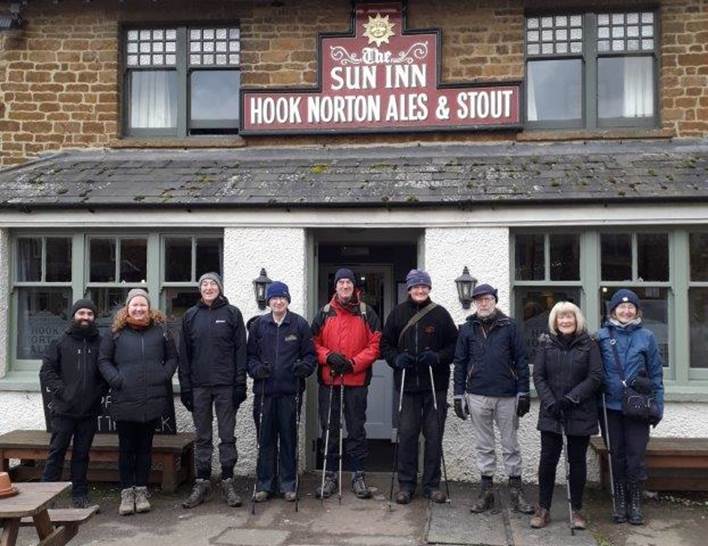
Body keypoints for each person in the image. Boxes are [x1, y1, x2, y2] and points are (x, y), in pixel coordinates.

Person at [452, 283, 533, 514]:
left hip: (507, 395)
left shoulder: (510, 326)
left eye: (488, 299)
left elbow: (521, 360)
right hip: (477, 394)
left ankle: (516, 491)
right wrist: (459, 394)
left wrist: (523, 392)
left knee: (510, 445)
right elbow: (459, 363)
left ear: (495, 300)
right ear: (475, 303)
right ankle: (486, 492)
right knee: (484, 446)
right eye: (479, 300)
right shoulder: (467, 329)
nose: (483, 303)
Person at [380, 269, 458, 504]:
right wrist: (395, 359)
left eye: (424, 286)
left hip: (435, 385)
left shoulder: (441, 315)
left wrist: (438, 357)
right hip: (407, 386)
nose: (420, 290)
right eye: (415, 286)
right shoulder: (397, 314)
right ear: (409, 289)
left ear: (429, 288)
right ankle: (406, 484)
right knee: (407, 435)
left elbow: (455, 346)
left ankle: (432, 485)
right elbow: (385, 345)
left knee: (434, 437)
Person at [98, 289, 178, 516]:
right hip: (125, 398)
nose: (139, 309)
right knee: (126, 448)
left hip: (152, 398)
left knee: (145, 448)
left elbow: (173, 358)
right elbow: (103, 360)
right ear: (127, 308)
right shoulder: (115, 333)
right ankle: (126, 492)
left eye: (143, 305)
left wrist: (164, 375)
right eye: (134, 305)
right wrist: (116, 379)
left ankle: (141, 490)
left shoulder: (161, 332)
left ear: (149, 308)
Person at [530, 302, 602, 530]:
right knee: (548, 461)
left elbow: (595, 377)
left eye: (569, 317)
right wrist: (551, 402)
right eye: (561, 317)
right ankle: (543, 508)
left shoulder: (589, 344)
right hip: (552, 412)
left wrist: (571, 399)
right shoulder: (545, 344)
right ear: (554, 321)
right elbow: (539, 376)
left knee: (577, 461)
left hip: (579, 410)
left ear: (576, 319)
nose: (565, 321)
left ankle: (577, 510)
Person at [178, 272, 248, 508]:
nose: (209, 287)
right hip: (198, 386)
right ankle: (202, 481)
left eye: (212, 284)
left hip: (226, 386)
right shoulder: (191, 316)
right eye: (204, 284)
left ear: (220, 288)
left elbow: (241, 351)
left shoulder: (232, 314)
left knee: (227, 435)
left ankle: (228, 481)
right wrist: (185, 387)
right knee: (203, 437)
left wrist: (240, 383)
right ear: (200, 289)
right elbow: (184, 355)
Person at [311, 267, 382, 499]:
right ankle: (330, 475)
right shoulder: (324, 313)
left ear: (354, 287)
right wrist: (327, 356)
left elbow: (375, 345)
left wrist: (353, 363)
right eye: (341, 283)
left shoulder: (366, 313)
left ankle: (358, 474)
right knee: (330, 428)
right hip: (329, 379)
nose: (344, 287)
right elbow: (312, 343)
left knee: (356, 429)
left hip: (356, 379)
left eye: (348, 283)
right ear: (336, 286)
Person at [596, 289, 664, 526]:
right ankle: (620, 503)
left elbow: (656, 374)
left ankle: (635, 502)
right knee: (617, 455)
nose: (626, 311)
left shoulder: (647, 337)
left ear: (637, 310)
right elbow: (593, 372)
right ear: (613, 310)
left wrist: (658, 407)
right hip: (610, 407)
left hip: (638, 408)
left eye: (631, 307)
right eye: (621, 307)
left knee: (636, 456)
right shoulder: (602, 336)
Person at [247, 281, 316, 502]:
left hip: (290, 391)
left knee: (288, 438)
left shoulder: (299, 325)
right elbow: (249, 358)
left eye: (282, 298)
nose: (278, 302)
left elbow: (310, 356)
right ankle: (265, 484)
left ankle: (288, 484)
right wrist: (257, 369)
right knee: (265, 439)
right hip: (265, 391)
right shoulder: (259, 325)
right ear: (268, 301)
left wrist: (304, 368)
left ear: (288, 300)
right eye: (274, 298)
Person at [40, 298, 106, 509]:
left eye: (89, 314)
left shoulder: (101, 342)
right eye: (81, 313)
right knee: (56, 452)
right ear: (74, 316)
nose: (85, 317)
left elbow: (106, 371)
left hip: (89, 411)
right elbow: (47, 371)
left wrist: (99, 392)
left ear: (94, 317)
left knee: (81, 454)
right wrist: (62, 392)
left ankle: (79, 493)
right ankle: (45, 496)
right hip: (64, 410)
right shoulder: (60, 342)